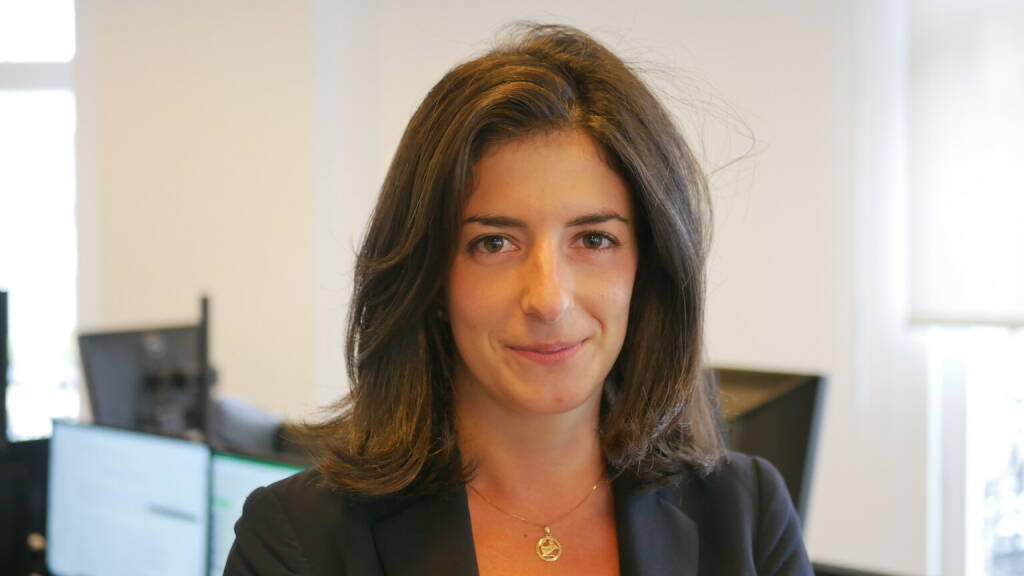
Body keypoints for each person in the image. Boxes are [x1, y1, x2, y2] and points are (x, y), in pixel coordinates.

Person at [225, 23, 812, 576]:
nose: (548, 299)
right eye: (494, 243)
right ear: (429, 277)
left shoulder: (748, 514)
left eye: (594, 239)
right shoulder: (298, 538)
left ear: (649, 269)